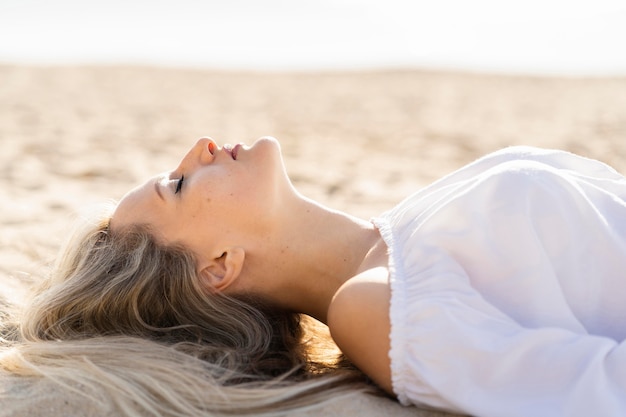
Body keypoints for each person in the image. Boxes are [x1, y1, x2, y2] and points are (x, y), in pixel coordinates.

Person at [3, 136, 626, 417]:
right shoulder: (375, 306)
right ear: (219, 267)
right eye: (180, 185)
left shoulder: (408, 233)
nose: (201, 147)